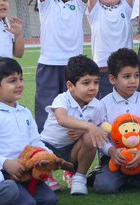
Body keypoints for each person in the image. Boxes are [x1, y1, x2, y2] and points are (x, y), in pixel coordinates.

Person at [22, 0, 101, 128]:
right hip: (49, 65)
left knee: (75, 111)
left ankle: (72, 152)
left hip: (74, 67)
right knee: (46, 112)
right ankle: (45, 150)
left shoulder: (79, 3)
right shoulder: (47, 3)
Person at [0, 56, 59, 205]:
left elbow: (35, 141)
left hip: (28, 170)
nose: (19, 85)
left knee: (49, 201)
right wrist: (6, 163)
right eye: (12, 81)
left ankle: (21, 193)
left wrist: (48, 156)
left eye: (20, 79)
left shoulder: (24, 111)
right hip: (5, 173)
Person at [94, 48, 140, 194]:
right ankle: (116, 175)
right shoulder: (103, 104)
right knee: (104, 186)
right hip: (115, 158)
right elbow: (100, 136)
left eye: (137, 75)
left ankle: (129, 178)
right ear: (112, 79)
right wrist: (112, 151)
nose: (133, 81)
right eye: (127, 76)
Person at [37, 54, 108, 196]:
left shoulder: (97, 105)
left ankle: (79, 177)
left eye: (96, 82)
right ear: (70, 86)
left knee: (90, 138)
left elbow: (101, 127)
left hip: (71, 150)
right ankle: (46, 176)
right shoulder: (63, 98)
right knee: (39, 157)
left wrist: (84, 131)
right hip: (48, 147)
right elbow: (62, 119)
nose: (93, 88)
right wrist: (87, 126)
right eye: (86, 83)